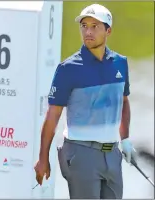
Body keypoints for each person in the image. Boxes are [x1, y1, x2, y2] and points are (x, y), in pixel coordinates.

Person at [34, 4, 138, 199]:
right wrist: (42, 158)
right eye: (84, 26)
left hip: (112, 154)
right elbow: (52, 116)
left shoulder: (120, 63)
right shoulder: (68, 68)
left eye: (95, 26)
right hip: (81, 153)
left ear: (108, 30)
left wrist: (125, 139)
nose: (88, 32)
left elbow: (124, 102)